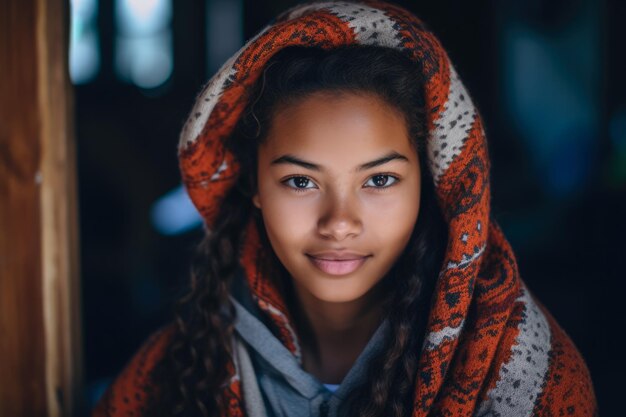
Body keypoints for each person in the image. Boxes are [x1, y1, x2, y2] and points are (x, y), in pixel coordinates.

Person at [93, 1, 597, 416]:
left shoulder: (520, 373)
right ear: (254, 187)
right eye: (300, 181)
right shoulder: (173, 371)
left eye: (379, 179)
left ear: (432, 184)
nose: (339, 223)